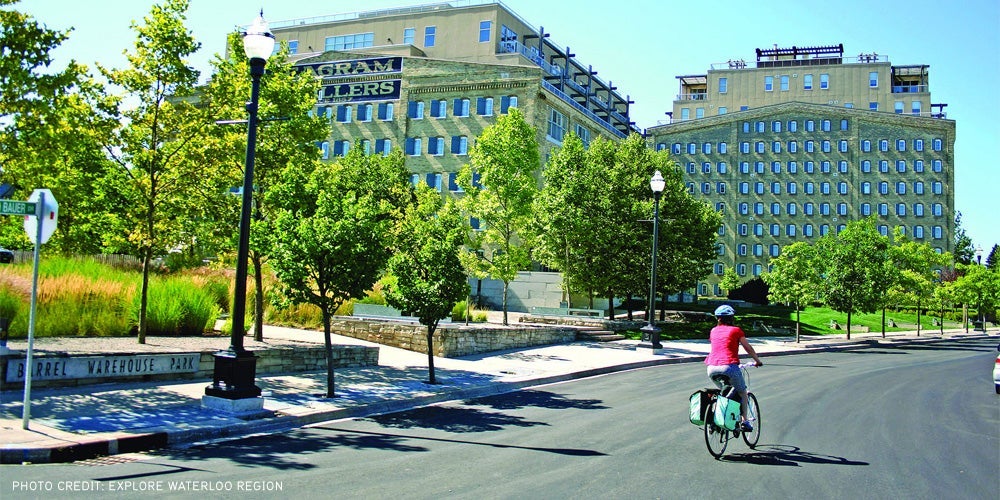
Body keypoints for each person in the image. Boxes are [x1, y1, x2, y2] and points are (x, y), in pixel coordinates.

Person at [705, 304, 763, 432]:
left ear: (718, 318)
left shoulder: (713, 331)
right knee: (742, 392)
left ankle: (716, 419)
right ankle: (744, 421)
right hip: (729, 366)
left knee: (725, 393)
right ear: (731, 318)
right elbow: (747, 347)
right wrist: (757, 361)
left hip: (711, 368)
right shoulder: (736, 330)